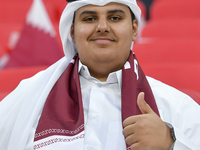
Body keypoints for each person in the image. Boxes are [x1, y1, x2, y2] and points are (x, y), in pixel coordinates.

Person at [0, 0, 200, 150]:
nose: (102, 27)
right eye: (90, 18)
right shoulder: (29, 97)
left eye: (115, 18)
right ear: (72, 32)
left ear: (134, 29)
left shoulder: (176, 106)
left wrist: (171, 143)